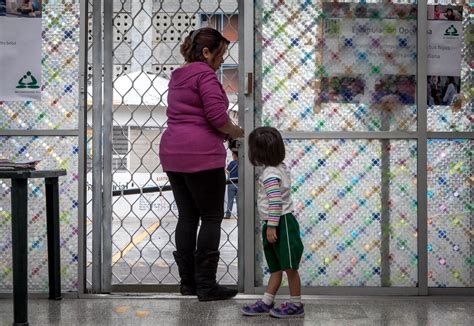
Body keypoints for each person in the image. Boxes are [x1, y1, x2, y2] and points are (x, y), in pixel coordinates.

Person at [159, 27, 244, 301]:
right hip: (201, 154)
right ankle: (206, 285)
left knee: (187, 217)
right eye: (219, 54)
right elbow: (217, 116)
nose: (221, 61)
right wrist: (235, 131)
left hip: (173, 152)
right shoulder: (205, 75)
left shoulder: (177, 76)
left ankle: (188, 284)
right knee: (210, 217)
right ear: (205, 52)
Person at [241, 127, 304, 318]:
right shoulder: (279, 167)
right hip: (278, 223)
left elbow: (275, 202)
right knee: (276, 266)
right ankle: (267, 301)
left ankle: (296, 304)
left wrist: (272, 225)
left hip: (280, 223)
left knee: (289, 267)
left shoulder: (270, 174)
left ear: (257, 152)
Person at [224, 151, 238, 219]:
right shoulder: (241, 163)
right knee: (239, 200)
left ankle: (228, 214)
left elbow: (227, 171)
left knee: (230, 200)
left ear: (234, 155)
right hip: (239, 183)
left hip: (231, 182)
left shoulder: (232, 162)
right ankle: (239, 214)